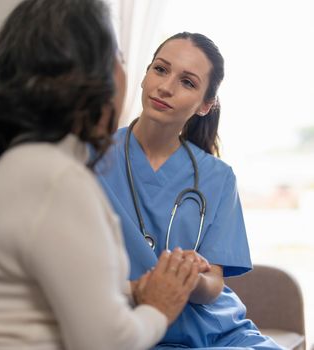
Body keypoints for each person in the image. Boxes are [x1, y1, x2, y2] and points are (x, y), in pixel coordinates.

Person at [0, 1, 203, 348]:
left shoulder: (23, 164)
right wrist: (160, 306)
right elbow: (107, 343)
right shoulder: (58, 179)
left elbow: (45, 286)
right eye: (118, 55)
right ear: (90, 76)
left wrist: (133, 289)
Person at [96, 32, 284, 349]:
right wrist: (145, 288)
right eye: (160, 69)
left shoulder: (218, 177)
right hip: (136, 331)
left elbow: (213, 284)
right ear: (143, 76)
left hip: (222, 333)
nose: (166, 87)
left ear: (205, 105)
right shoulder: (89, 160)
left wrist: (187, 278)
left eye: (188, 82)